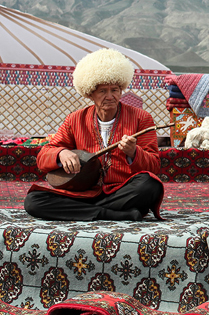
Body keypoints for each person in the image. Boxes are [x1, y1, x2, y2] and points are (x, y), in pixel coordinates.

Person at [24, 49, 164, 221]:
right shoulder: (75, 119)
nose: (110, 96)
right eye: (102, 91)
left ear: (122, 90)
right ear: (90, 93)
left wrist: (134, 152)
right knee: (33, 201)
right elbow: (43, 157)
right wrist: (61, 153)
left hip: (120, 191)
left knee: (150, 185)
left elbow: (154, 166)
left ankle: (83, 212)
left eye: (115, 90)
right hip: (83, 191)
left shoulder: (142, 118)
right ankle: (111, 214)